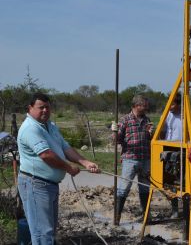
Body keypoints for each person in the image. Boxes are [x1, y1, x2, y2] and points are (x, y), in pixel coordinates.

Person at [17, 92, 100, 244]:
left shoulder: (50, 126)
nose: (45, 111)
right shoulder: (30, 128)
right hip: (35, 184)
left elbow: (65, 147)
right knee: (43, 234)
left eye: (47, 107)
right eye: (41, 107)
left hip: (49, 185)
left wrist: (85, 162)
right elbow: (46, 155)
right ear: (30, 108)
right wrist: (69, 168)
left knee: (49, 231)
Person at [113, 95, 154, 225]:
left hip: (145, 158)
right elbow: (117, 139)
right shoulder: (125, 120)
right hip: (130, 159)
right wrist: (114, 133)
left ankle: (146, 216)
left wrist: (151, 133)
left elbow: (150, 139)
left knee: (144, 188)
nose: (146, 108)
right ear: (137, 106)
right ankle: (117, 217)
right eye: (144, 106)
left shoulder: (147, 120)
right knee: (124, 188)